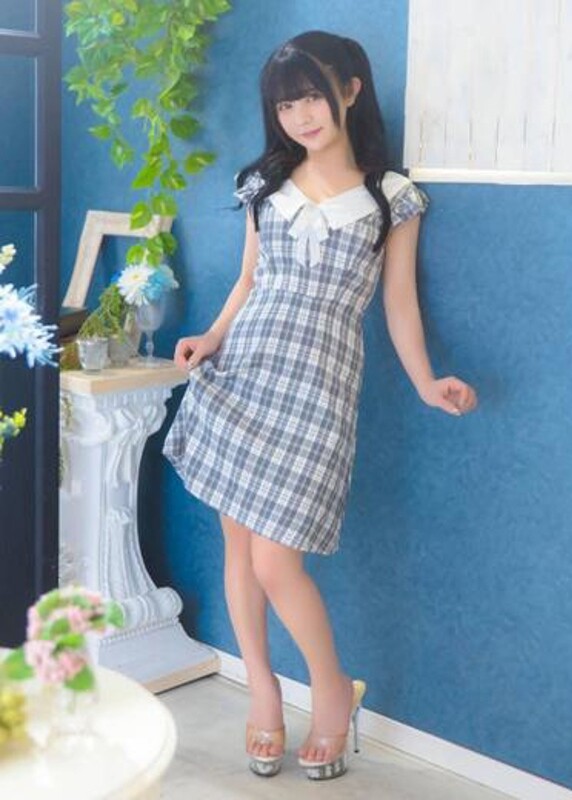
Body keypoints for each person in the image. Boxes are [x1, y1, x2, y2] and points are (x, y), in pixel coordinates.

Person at [162, 30, 478, 781]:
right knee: (240, 550)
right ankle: (264, 695)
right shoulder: (263, 185)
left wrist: (426, 381)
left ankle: (332, 692)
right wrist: (210, 336)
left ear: (351, 91)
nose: (300, 115)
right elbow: (249, 281)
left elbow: (398, 303)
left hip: (318, 389)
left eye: (311, 96)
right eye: (285, 104)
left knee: (277, 560)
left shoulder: (390, 196)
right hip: (241, 376)